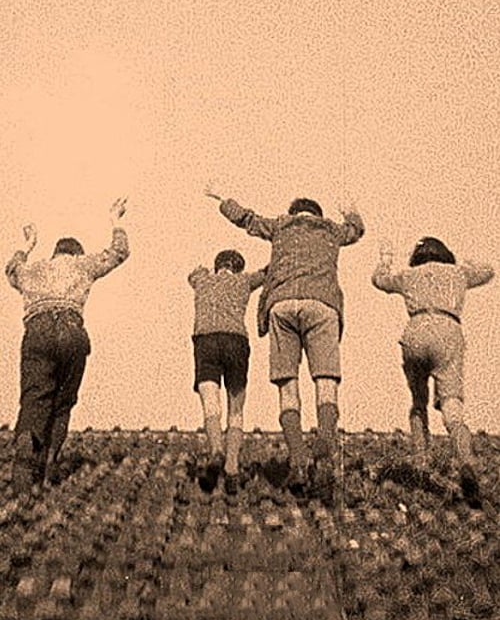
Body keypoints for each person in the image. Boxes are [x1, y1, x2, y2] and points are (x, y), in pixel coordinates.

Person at [206, 188, 365, 489]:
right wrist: (351, 211)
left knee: (287, 387)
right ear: (317, 213)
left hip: (281, 305)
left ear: (294, 213)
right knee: (325, 380)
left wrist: (220, 198)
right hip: (322, 304)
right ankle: (325, 441)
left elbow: (246, 219)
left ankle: (298, 461)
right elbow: (356, 232)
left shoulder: (280, 226)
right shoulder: (331, 230)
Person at [6, 198, 129, 496]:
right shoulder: (82, 264)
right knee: (63, 403)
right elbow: (119, 253)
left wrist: (28, 244)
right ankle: (49, 467)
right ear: (76, 253)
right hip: (72, 332)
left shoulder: (33, 270)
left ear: (54, 252)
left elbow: (11, 269)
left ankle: (25, 459)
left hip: (36, 333)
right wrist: (115, 220)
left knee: (35, 400)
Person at [372, 236, 494, 502]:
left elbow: (380, 281)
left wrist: (385, 259)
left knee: (418, 402)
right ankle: (466, 460)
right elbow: (488, 272)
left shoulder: (409, 274)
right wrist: (465, 261)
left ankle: (421, 463)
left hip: (416, 330)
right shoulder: (458, 273)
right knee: (452, 406)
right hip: (449, 330)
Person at [188, 250, 266, 494]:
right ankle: (232, 467)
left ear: (217, 265)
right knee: (236, 409)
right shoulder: (244, 280)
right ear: (239, 268)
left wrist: (203, 270)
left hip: (205, 341)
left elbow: (192, 275)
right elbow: (267, 273)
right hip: (235, 341)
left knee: (211, 405)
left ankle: (216, 450)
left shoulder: (202, 279)